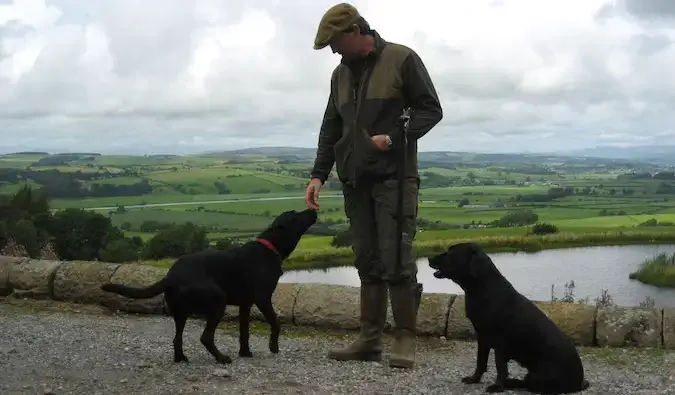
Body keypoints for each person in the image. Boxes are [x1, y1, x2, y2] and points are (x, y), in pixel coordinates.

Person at [305, 3, 443, 369]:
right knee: (366, 259)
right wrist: (319, 174)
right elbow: (330, 127)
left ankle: (404, 340)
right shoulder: (339, 75)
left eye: (335, 42)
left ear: (353, 31)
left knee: (395, 257)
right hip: (354, 180)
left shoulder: (402, 59)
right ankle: (369, 339)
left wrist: (394, 138)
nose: (333, 51)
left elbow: (431, 109)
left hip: (394, 178)